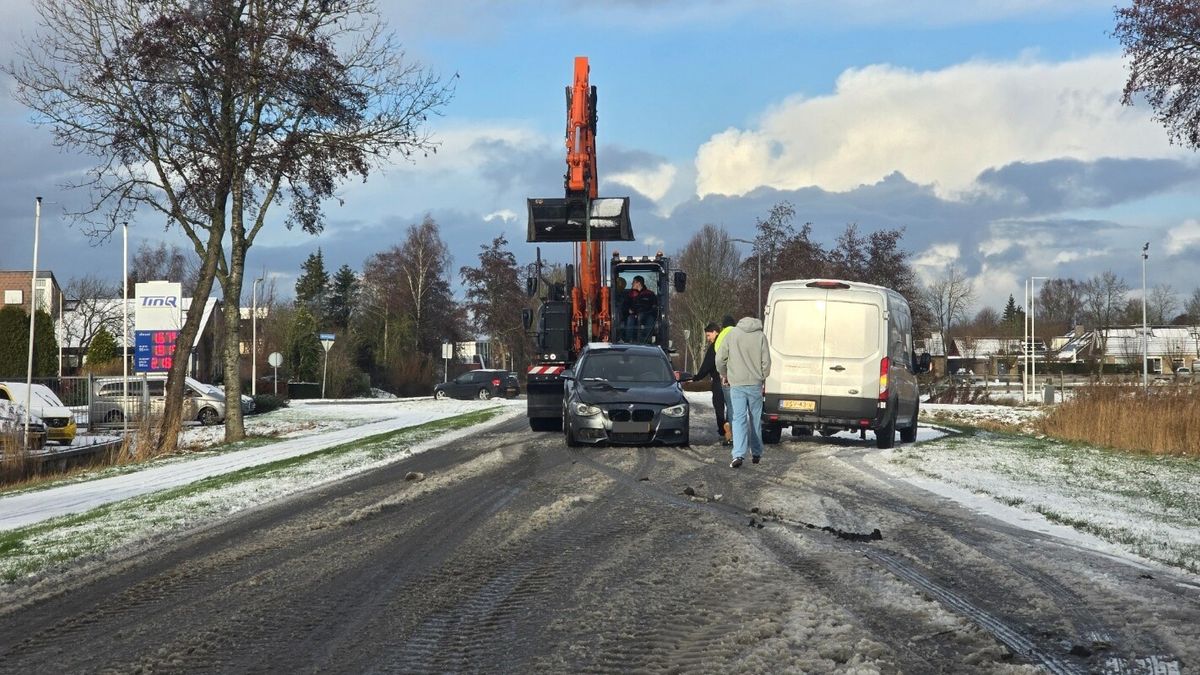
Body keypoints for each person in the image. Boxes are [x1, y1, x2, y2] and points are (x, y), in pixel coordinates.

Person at [716, 316, 771, 468]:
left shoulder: (731, 335)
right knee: (755, 418)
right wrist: (761, 376)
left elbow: (720, 358)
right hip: (755, 384)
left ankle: (738, 454)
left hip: (737, 384)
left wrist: (725, 373)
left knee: (738, 419)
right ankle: (757, 451)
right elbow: (766, 362)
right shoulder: (761, 336)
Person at [688, 322, 729, 444]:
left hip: (718, 381)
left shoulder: (715, 347)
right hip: (732, 381)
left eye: (708, 335)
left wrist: (696, 378)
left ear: (715, 332)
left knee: (719, 406)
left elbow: (707, 365)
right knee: (731, 407)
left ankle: (723, 431)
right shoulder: (728, 343)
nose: (708, 338)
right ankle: (731, 430)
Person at [713, 315, 736, 442]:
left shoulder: (721, 336)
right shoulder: (738, 334)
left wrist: (723, 373)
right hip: (738, 376)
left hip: (725, 377)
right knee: (736, 406)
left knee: (730, 405)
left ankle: (729, 431)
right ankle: (731, 429)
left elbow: (719, 357)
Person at [623, 276, 658, 343]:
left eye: (633, 282)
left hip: (646, 315)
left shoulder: (650, 294)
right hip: (634, 315)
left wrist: (646, 313)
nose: (632, 284)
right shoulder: (630, 295)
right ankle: (629, 340)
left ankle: (647, 340)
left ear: (638, 283)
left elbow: (654, 307)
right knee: (630, 318)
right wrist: (629, 310)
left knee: (650, 319)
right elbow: (625, 306)